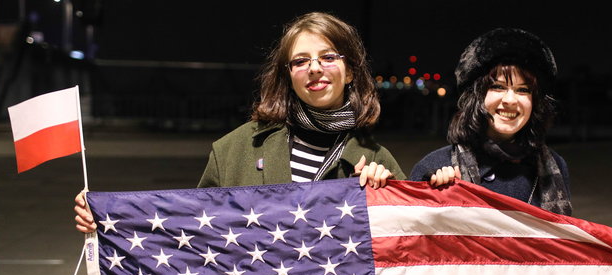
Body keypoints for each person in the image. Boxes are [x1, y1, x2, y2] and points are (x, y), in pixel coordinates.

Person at [75, 12, 404, 233]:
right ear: (288, 77)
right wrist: (109, 220)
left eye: (329, 57)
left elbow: (408, 250)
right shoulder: (234, 150)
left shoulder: (377, 160)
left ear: (350, 72)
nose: (315, 68)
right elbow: (191, 229)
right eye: (300, 61)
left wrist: (388, 197)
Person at [410, 28, 572, 216]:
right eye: (498, 87)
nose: (510, 100)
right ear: (476, 96)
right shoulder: (434, 166)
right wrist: (435, 196)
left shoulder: (555, 166)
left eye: (523, 90)